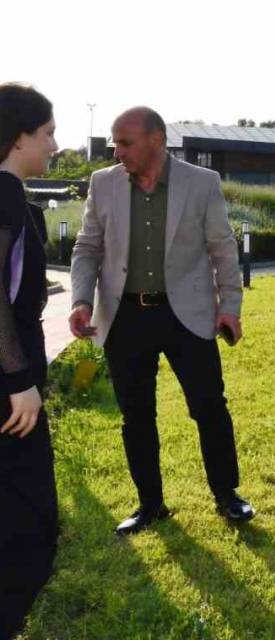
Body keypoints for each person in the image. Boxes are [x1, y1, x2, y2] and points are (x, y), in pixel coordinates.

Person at [69, 106, 253, 535]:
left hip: (185, 313)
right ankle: (150, 504)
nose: (117, 150)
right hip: (125, 317)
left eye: (126, 142)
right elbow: (87, 247)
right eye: (114, 142)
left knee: (209, 407)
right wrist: (80, 300)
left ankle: (227, 496)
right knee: (136, 415)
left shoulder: (201, 182)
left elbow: (222, 248)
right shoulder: (103, 182)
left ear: (156, 140)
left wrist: (230, 306)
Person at [0, 82, 58, 640]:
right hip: (7, 391)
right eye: (46, 133)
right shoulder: (5, 193)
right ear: (19, 137)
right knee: (29, 526)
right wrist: (19, 381)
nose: (55, 145)